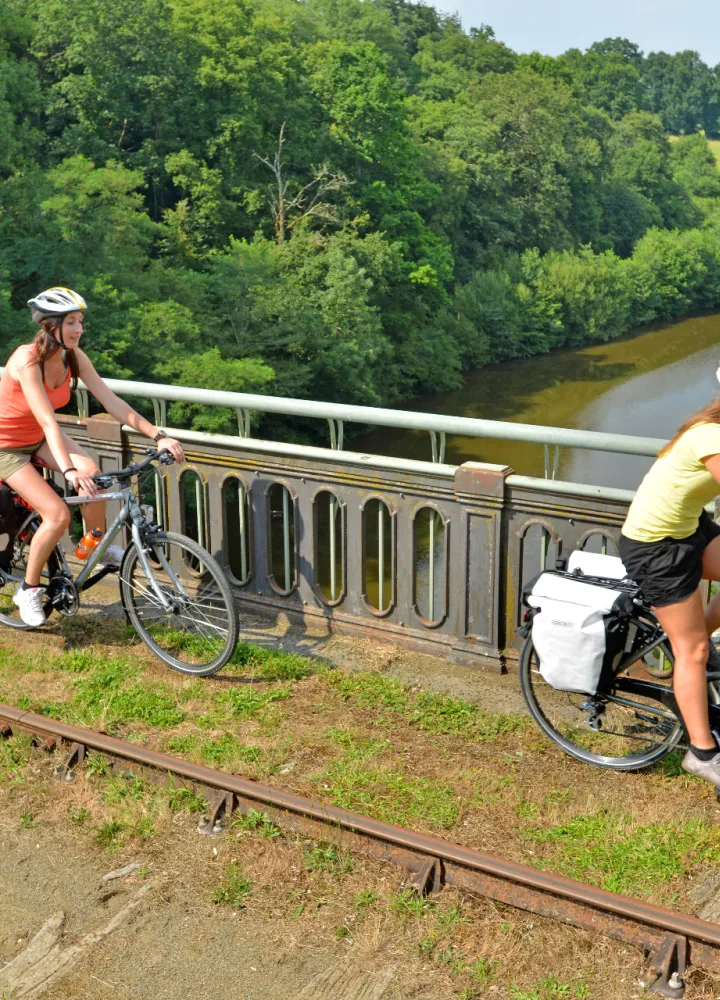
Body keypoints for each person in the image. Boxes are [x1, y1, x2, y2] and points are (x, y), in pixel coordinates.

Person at [0, 287, 185, 627]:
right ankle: (27, 590)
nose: (79, 329)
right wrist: (68, 470)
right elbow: (46, 419)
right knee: (56, 514)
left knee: (93, 473)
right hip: (6, 447)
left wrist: (158, 435)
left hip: (38, 438)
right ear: (47, 325)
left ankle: (92, 546)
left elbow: (112, 403)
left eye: (80, 321)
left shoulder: (73, 357)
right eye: (71, 322)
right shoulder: (26, 360)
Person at [619, 390, 720, 788]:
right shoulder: (709, 436)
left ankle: (699, 648)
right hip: (655, 547)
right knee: (689, 650)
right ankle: (702, 754)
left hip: (687, 530)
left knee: (695, 645)